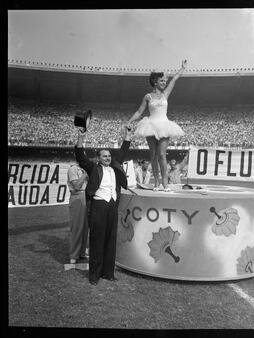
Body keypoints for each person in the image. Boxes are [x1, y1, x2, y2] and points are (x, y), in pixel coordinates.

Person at [75, 126, 132, 285]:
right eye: (104, 156)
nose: (107, 158)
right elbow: (81, 157)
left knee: (110, 240)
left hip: (112, 206)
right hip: (99, 206)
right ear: (98, 158)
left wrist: (127, 136)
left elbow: (123, 151)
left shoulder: (115, 166)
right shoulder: (93, 167)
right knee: (97, 240)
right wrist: (81, 139)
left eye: (109, 155)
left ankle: (108, 273)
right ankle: (94, 275)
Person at [126, 60, 187, 191]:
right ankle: (156, 183)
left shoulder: (166, 94)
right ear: (155, 82)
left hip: (164, 125)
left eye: (165, 81)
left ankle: (165, 184)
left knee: (162, 155)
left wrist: (182, 68)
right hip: (150, 125)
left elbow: (175, 79)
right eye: (162, 81)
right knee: (153, 155)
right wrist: (129, 121)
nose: (164, 83)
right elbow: (139, 111)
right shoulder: (148, 96)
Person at [67, 163, 89, 264]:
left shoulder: (85, 168)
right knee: (76, 227)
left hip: (87, 197)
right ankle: (74, 255)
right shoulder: (73, 169)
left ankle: (81, 253)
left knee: (85, 228)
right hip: (78, 196)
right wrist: (85, 174)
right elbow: (76, 186)